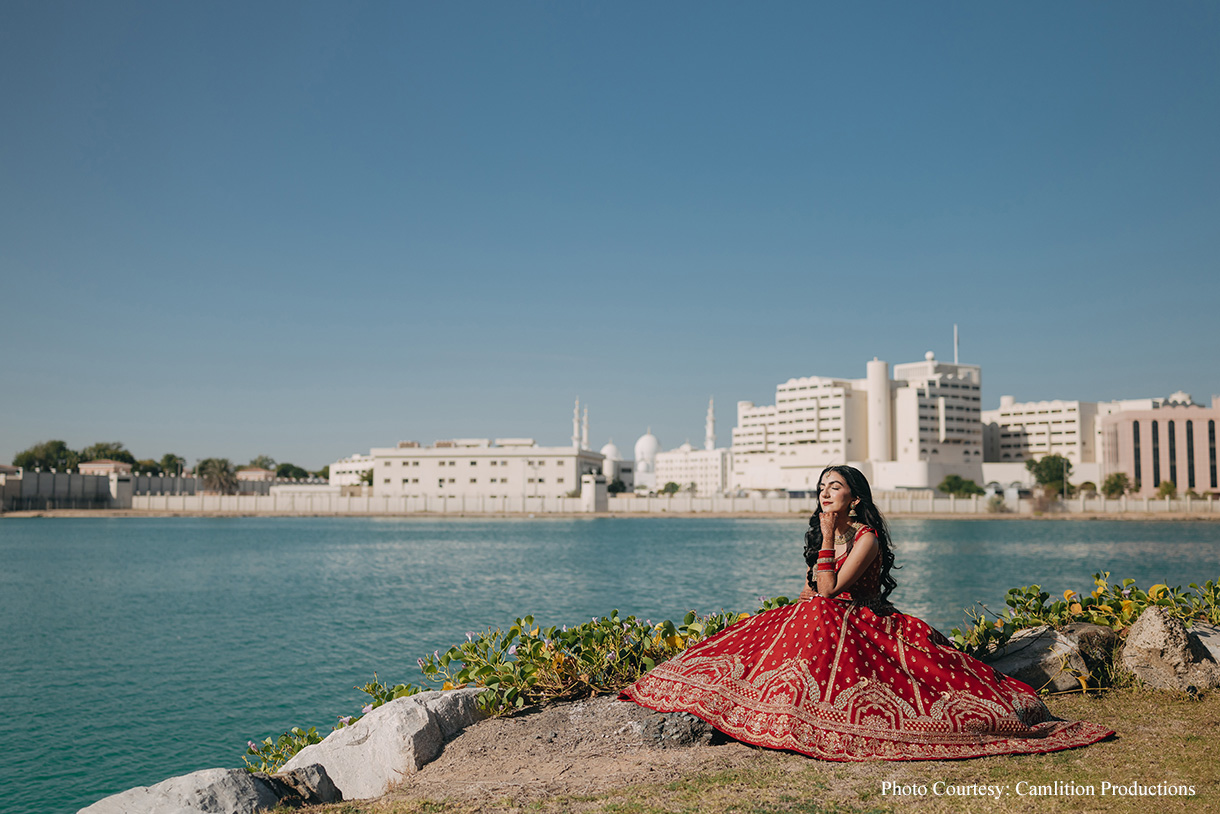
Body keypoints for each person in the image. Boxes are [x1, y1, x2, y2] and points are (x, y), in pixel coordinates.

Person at [621, 465, 1114, 760]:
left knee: (816, 615)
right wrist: (824, 536)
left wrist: (831, 530)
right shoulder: (829, 532)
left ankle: (804, 709)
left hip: (866, 620)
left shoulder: (866, 536)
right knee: (790, 617)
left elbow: (833, 587)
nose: (824, 492)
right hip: (832, 615)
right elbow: (814, 588)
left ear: (854, 497)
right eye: (821, 487)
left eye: (834, 487)